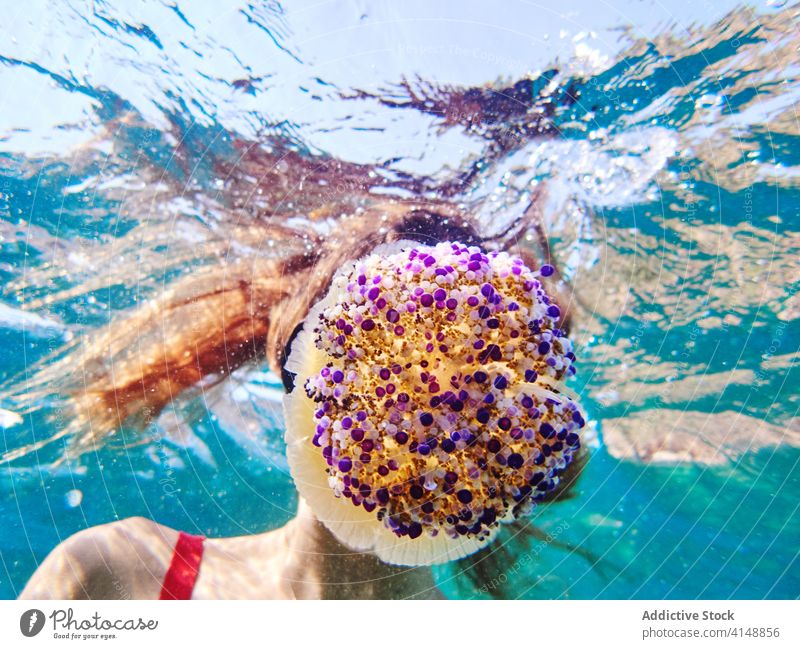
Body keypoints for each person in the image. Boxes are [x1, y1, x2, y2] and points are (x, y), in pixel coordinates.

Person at [18, 208, 586, 600]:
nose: (432, 400)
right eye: (377, 349)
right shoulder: (115, 571)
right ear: (295, 360)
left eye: (484, 389)